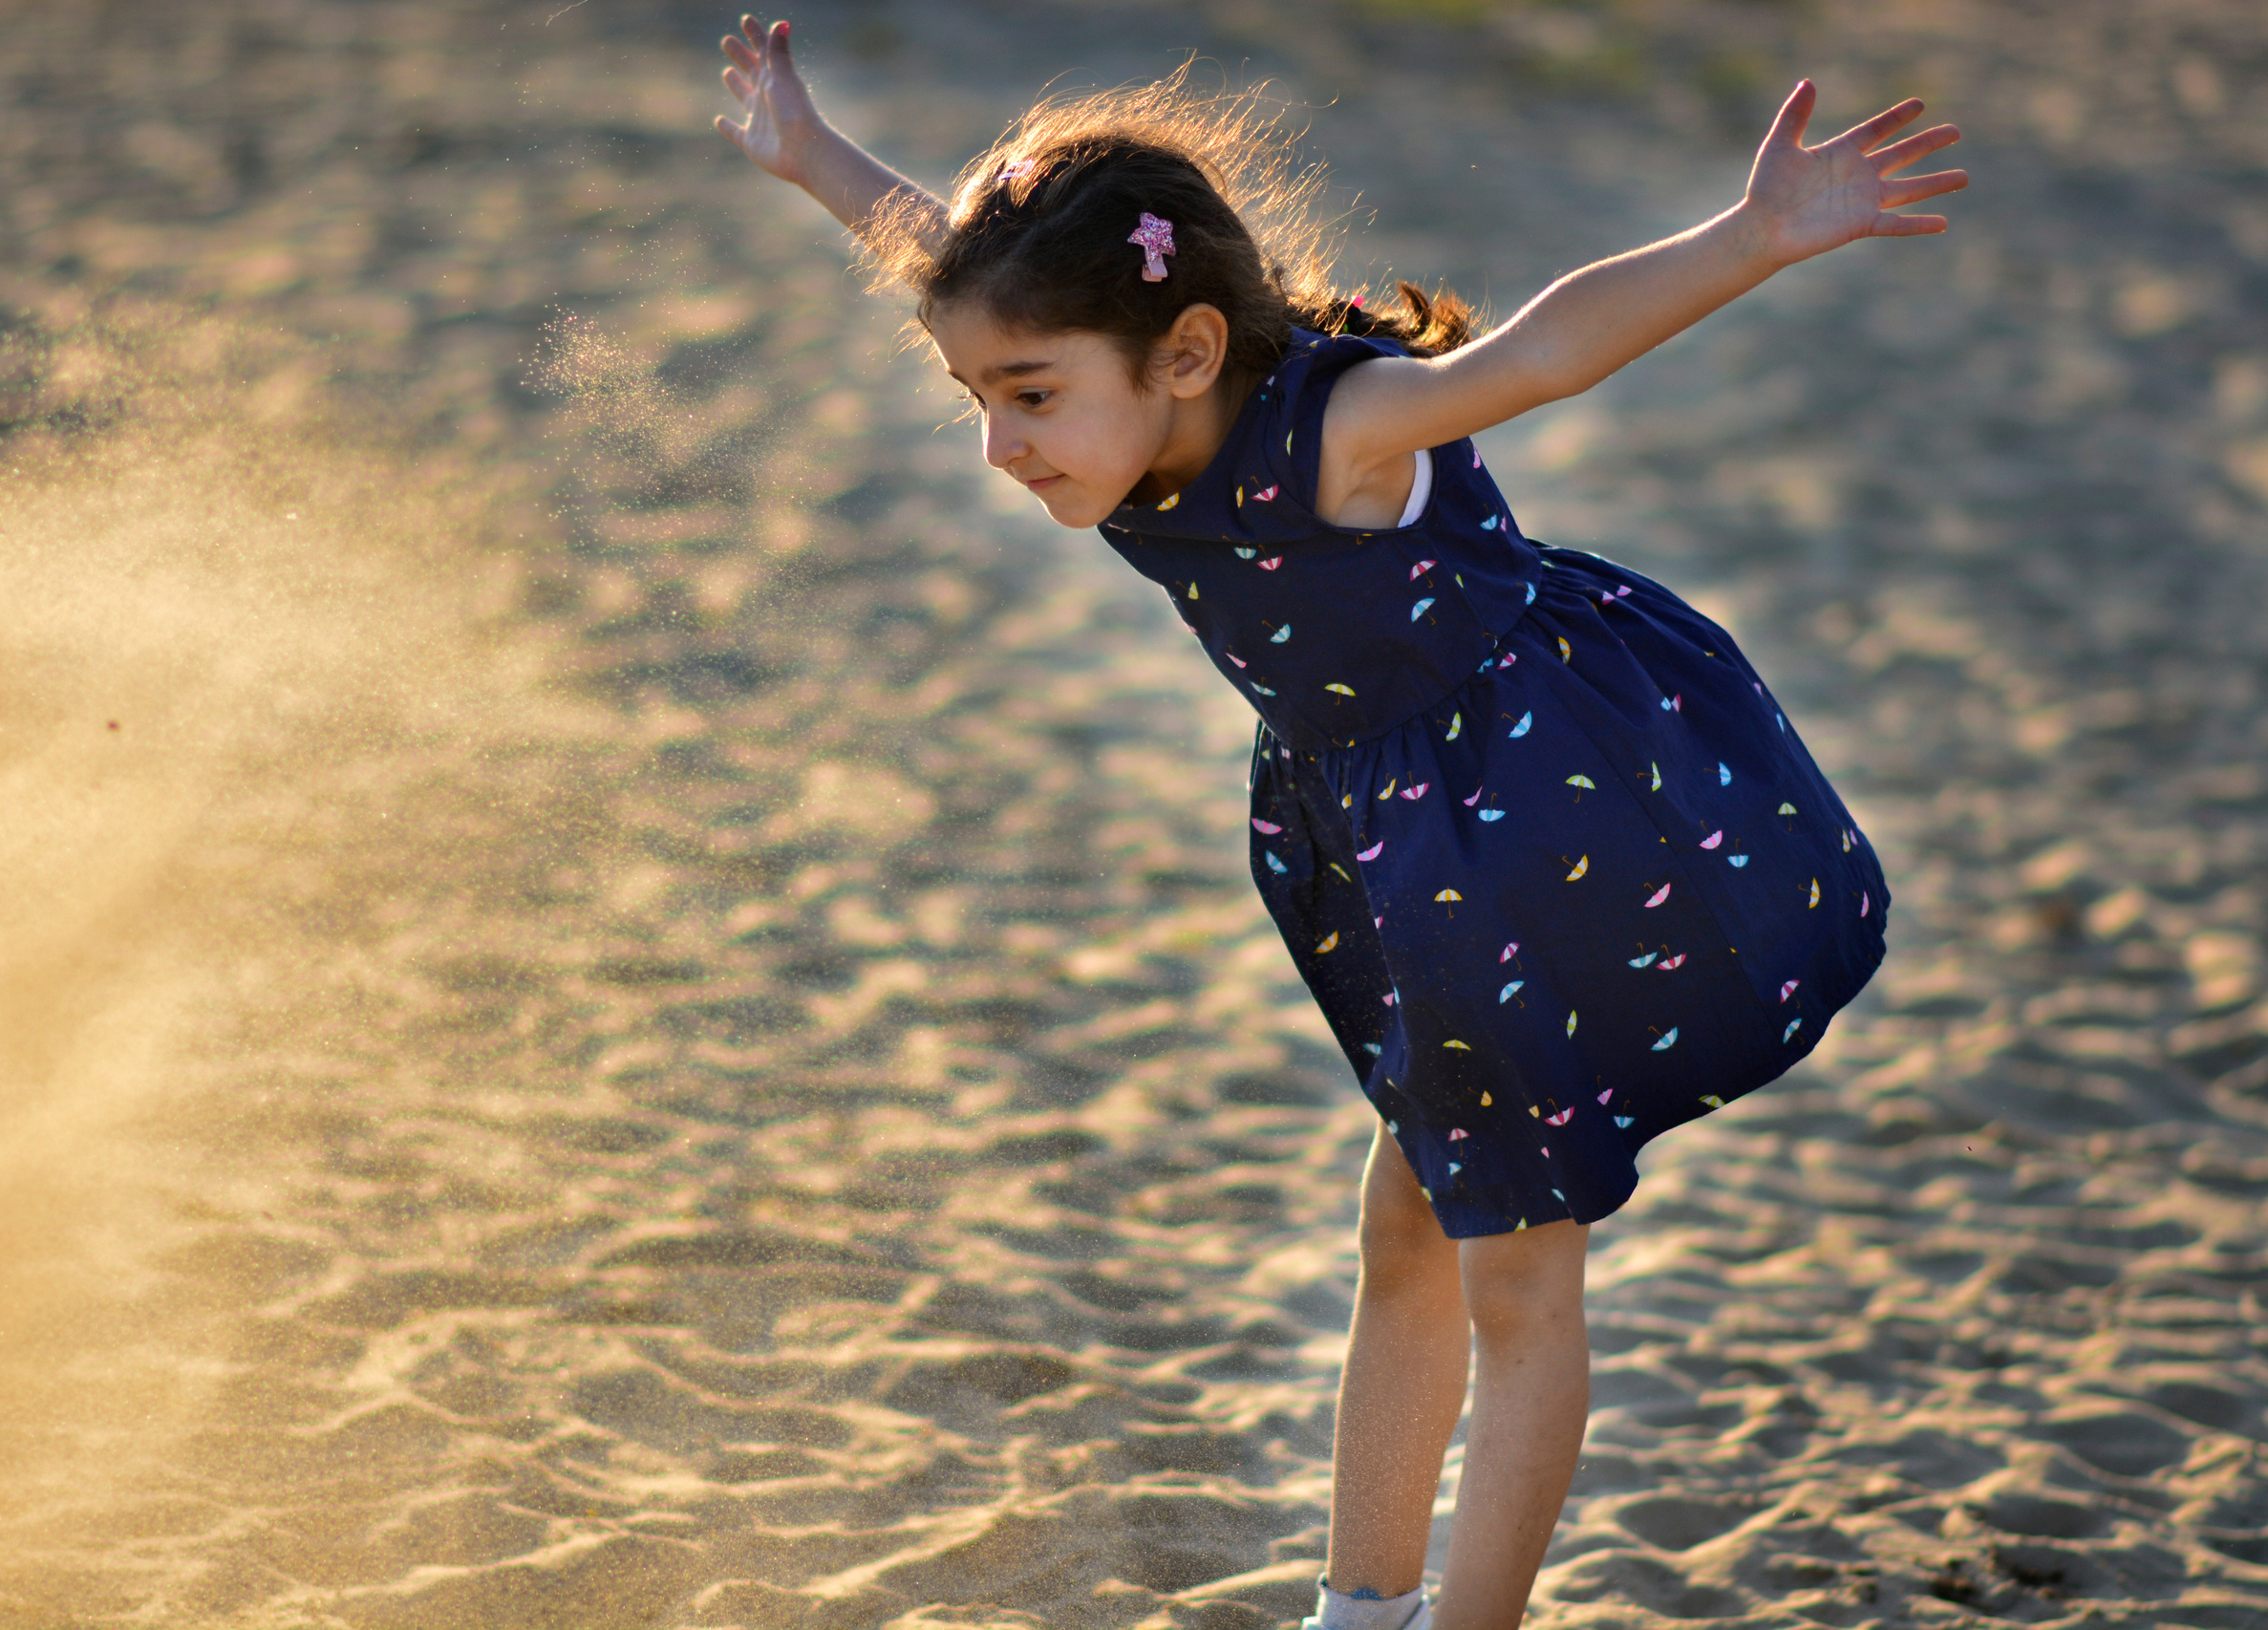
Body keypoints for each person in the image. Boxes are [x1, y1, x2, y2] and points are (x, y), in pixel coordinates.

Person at [710, 16, 1962, 1630]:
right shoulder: (1127, 409)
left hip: (1537, 823)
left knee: (1517, 1268)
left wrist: (1754, 233)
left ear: (1184, 352)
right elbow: (937, 249)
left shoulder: (1342, 436)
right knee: (1409, 1228)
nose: (998, 443)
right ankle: (1360, 1609)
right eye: (976, 392)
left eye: (1026, 396)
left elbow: (1538, 351)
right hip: (1403, 859)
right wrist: (811, 153)